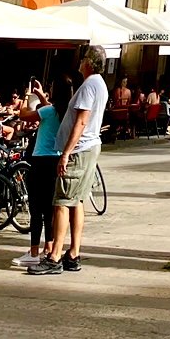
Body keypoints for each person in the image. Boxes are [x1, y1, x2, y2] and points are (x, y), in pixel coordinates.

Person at [31, 46, 109, 275]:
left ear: (89, 62)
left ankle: (55, 256)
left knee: (62, 201)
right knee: (77, 201)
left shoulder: (88, 85)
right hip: (90, 147)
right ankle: (73, 253)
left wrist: (66, 153)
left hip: (80, 149)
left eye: (84, 57)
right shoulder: (99, 84)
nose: (80, 60)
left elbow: (81, 121)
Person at [13, 75, 73, 271]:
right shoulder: (65, 112)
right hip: (55, 160)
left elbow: (23, 115)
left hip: (40, 161)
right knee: (50, 209)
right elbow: (48, 110)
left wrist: (27, 96)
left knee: (35, 208)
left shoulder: (47, 111)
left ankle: (33, 252)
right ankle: (48, 247)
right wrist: (40, 95)